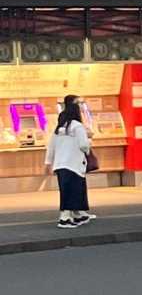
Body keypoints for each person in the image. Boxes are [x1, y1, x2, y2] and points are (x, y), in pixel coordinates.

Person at [44, 94, 94, 229]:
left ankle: (75, 215)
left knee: (66, 191)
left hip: (60, 164)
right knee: (74, 191)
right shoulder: (77, 126)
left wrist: (48, 162)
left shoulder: (59, 128)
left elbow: (51, 146)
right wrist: (89, 140)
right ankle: (65, 218)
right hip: (74, 164)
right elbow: (83, 145)